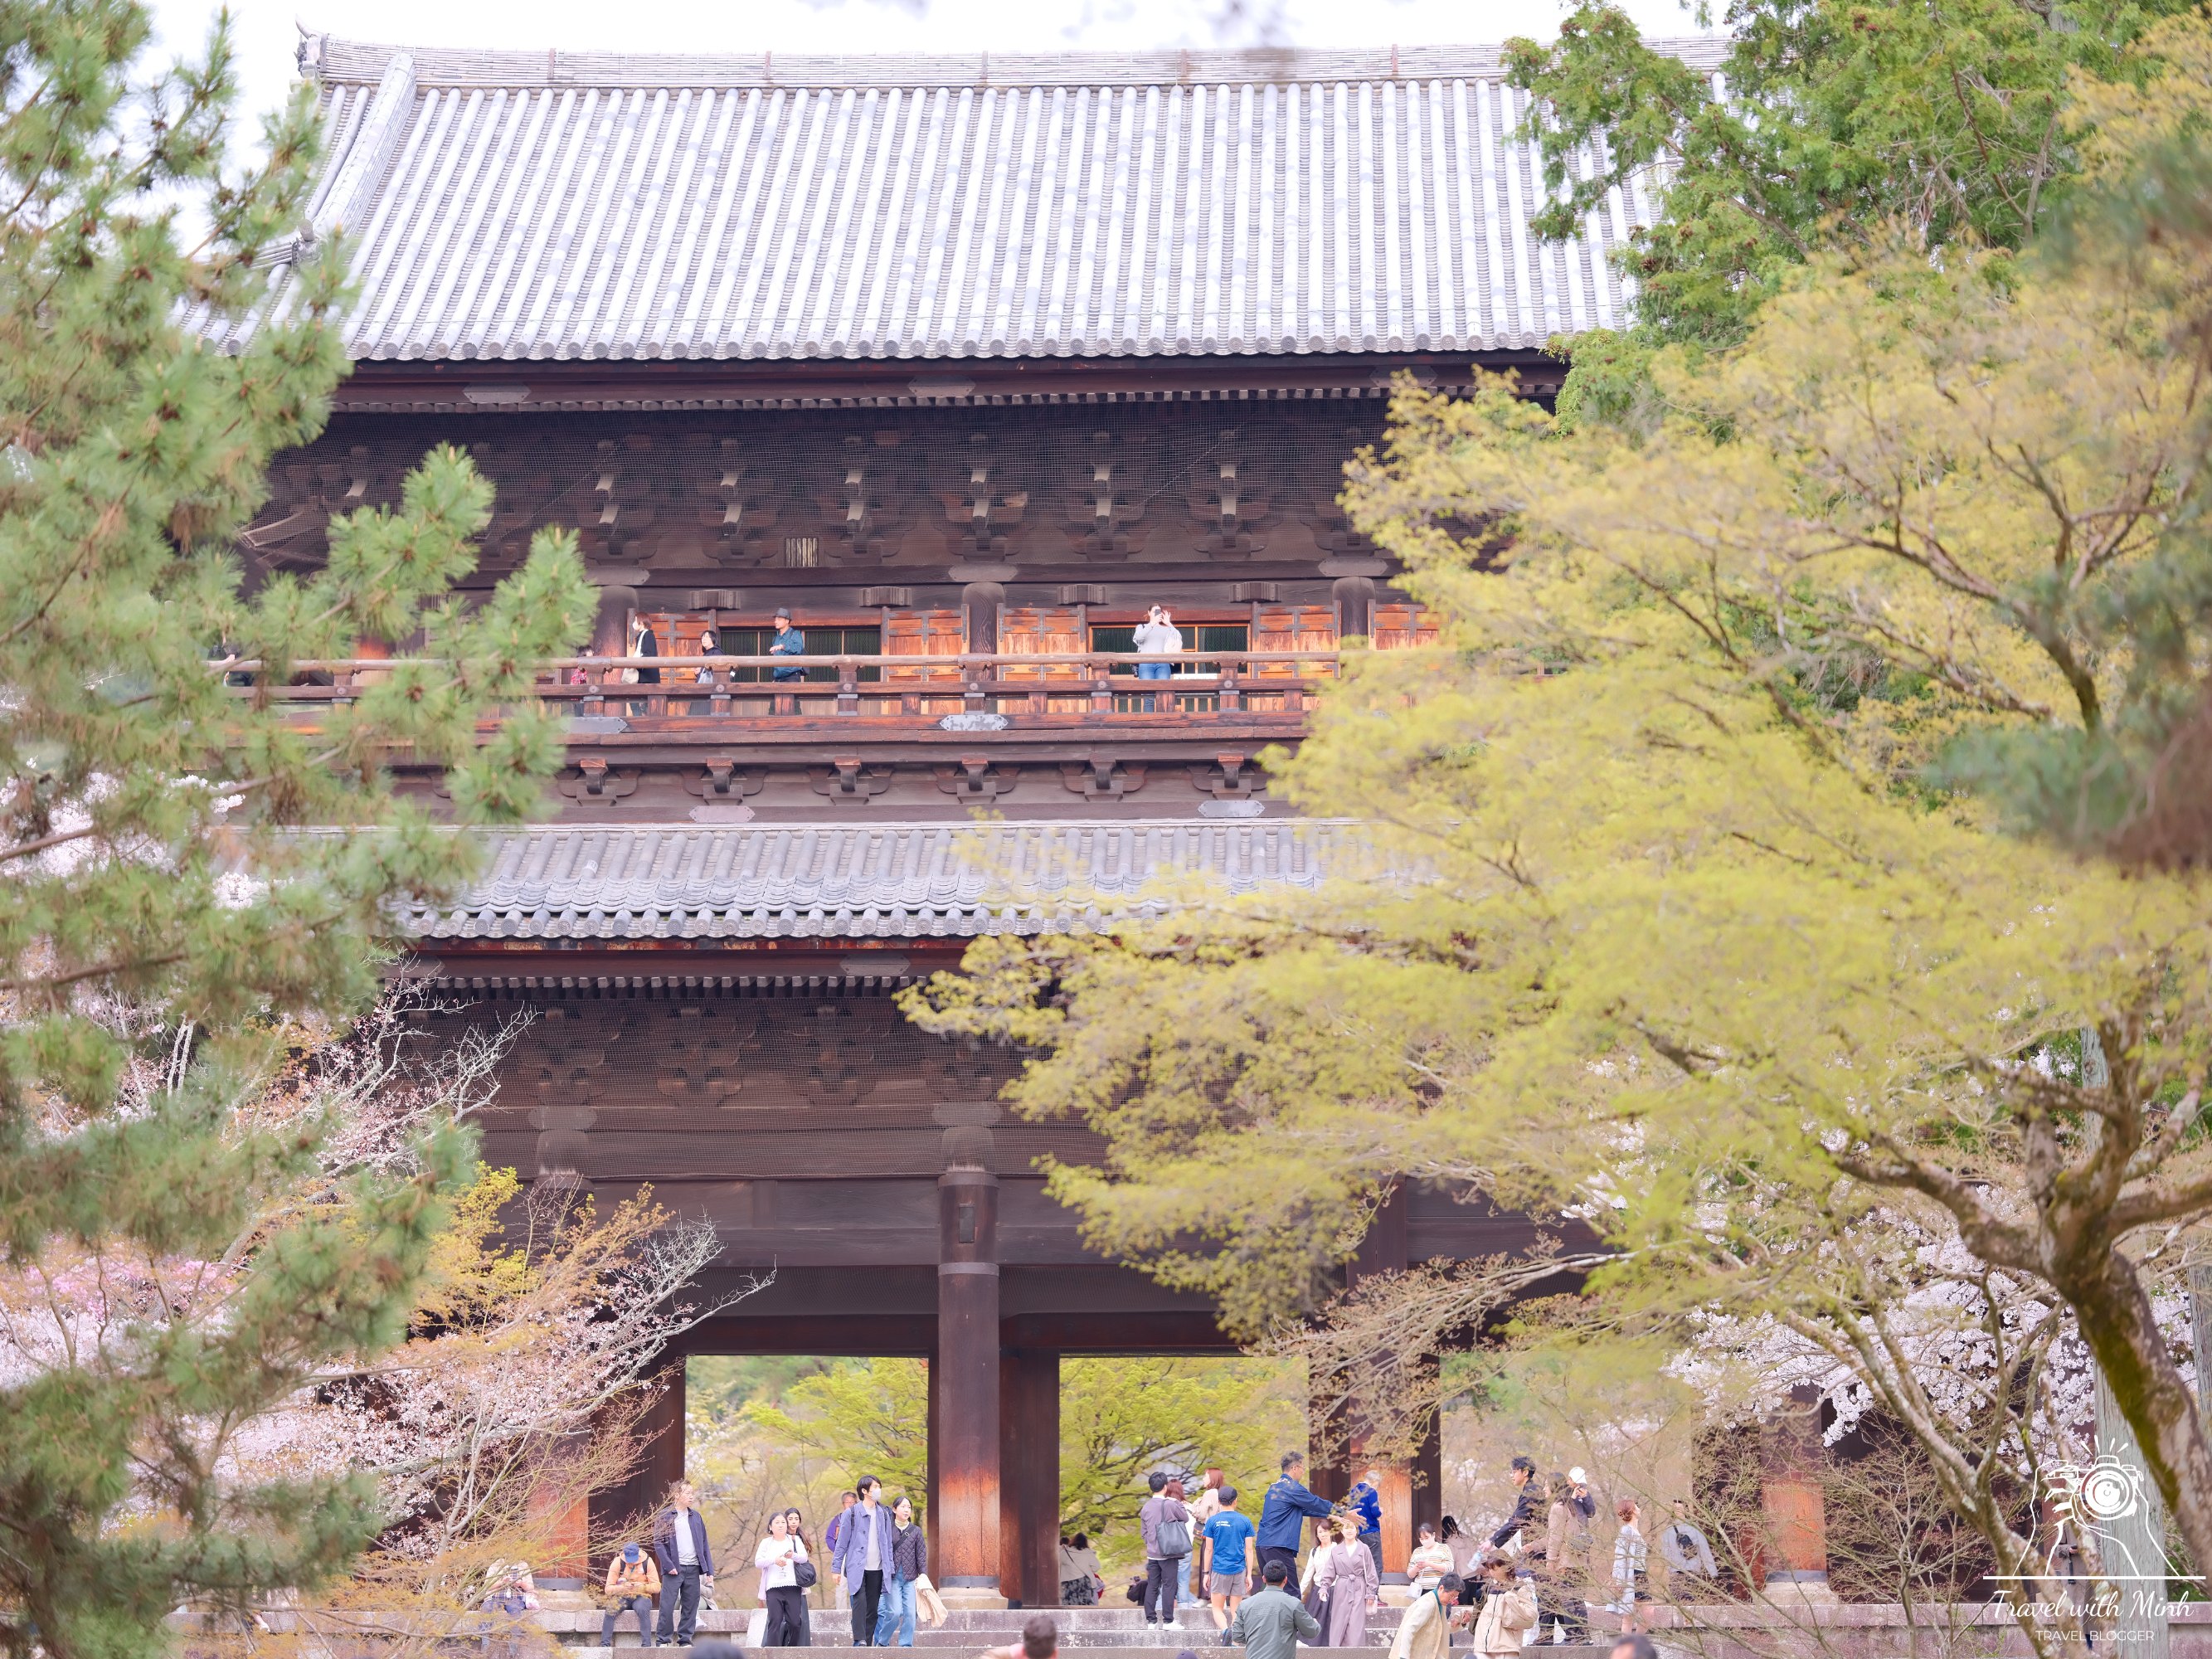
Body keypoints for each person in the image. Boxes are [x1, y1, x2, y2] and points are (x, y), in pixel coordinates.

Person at [832, 1475, 894, 1645]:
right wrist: (836, 1569)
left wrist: (891, 1568)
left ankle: (866, 1641)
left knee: (873, 1609)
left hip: (878, 1568)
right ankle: (859, 1640)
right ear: (864, 1491)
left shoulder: (884, 1514)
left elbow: (888, 1544)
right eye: (874, 1487)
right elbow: (841, 1544)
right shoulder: (851, 1513)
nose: (878, 1490)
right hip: (857, 1567)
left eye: (878, 1486)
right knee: (859, 1603)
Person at [1255, 1452, 1334, 1588]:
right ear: (1295, 1468)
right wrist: (1342, 1512)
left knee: (1272, 1591)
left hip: (1263, 1545)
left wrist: (1331, 1515)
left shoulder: (1274, 1487)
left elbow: (1300, 1509)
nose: (1303, 1472)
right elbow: (1314, 1502)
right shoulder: (1291, 1488)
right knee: (1291, 1592)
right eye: (1303, 1468)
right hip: (1278, 1546)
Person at [653, 1484, 715, 1647]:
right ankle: (663, 1640)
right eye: (687, 1493)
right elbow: (658, 1543)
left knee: (690, 1606)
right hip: (673, 1569)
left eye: (692, 1493)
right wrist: (668, 1565)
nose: (691, 1496)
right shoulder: (665, 1516)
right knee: (667, 1605)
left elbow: (704, 1544)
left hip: (694, 1568)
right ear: (676, 1495)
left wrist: (709, 1570)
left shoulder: (696, 1517)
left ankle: (685, 1640)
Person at [1226, 1559, 1320, 1659]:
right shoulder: (1293, 1604)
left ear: (1264, 1579)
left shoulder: (1245, 1605)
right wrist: (1314, 1623)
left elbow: (1237, 1636)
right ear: (1285, 1580)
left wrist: (1256, 1637)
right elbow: (1312, 1631)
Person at [1199, 1482, 1258, 1640]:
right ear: (1235, 1501)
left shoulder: (1212, 1522)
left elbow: (1209, 1549)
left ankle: (1226, 1631)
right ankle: (1234, 1637)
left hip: (1219, 1570)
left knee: (1217, 1608)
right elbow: (1249, 1550)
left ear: (1219, 1502)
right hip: (1239, 1570)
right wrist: (1249, 1575)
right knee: (1236, 1610)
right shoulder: (1245, 1521)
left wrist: (1206, 1573)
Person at [1313, 1515, 1379, 1648]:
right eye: (1346, 1528)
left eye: (1352, 1528)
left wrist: (1371, 1592)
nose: (1349, 1531)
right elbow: (1329, 1572)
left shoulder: (1364, 1548)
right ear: (1341, 1531)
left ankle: (1355, 1655)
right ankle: (1336, 1653)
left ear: (1357, 1531)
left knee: (1356, 1625)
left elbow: (1371, 1571)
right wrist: (1324, 1588)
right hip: (1341, 1589)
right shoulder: (1336, 1550)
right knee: (1338, 1623)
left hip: (1359, 1588)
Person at [1140, 1469, 1193, 1630]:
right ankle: (1168, 1621)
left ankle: (1151, 1621)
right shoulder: (1170, 1503)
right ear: (1165, 1487)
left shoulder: (1146, 1507)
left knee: (1152, 1585)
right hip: (1168, 1552)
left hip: (1152, 1554)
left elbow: (1144, 1532)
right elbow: (1185, 1517)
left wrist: (1151, 1544)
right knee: (1170, 1585)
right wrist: (1176, 1502)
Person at [1541, 1476, 1591, 1644]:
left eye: (1546, 1485)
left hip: (1565, 1562)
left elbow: (1555, 1537)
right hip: (1578, 1562)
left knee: (1566, 1598)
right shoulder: (1570, 1506)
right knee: (1577, 1599)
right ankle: (1584, 1636)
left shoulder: (1557, 1508)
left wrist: (1550, 1560)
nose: (1544, 1489)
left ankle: (1573, 1636)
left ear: (1554, 1487)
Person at [872, 1495, 926, 1648]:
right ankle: (882, 1642)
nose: (906, 1510)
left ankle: (906, 1645)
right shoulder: (887, 1529)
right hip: (892, 1578)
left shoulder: (916, 1531)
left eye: (909, 1507)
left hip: (910, 1578)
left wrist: (923, 1576)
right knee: (894, 1613)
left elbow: (921, 1555)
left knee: (910, 1615)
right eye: (903, 1506)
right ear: (894, 1509)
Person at [1469, 1550, 1539, 1659]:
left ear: (1506, 1567)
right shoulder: (1488, 1586)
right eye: (1489, 1569)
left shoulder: (1519, 1586)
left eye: (1494, 1569)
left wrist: (1512, 1600)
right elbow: (1484, 1611)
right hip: (1482, 1647)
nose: (1491, 1572)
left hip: (1507, 1647)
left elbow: (1532, 1615)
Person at [755, 1511, 809, 1648]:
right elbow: (758, 1562)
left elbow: (804, 1558)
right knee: (775, 1622)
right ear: (770, 1527)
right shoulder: (766, 1543)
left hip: (793, 1586)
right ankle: (774, 1653)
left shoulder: (794, 1540)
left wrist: (793, 1556)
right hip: (773, 1588)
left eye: (783, 1522)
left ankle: (791, 1650)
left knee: (795, 1623)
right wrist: (774, 1560)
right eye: (777, 1523)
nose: (780, 1525)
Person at [1386, 1571, 1463, 1659]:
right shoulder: (1428, 1604)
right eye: (1451, 1596)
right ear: (1441, 1588)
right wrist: (1404, 1657)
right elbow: (1409, 1629)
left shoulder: (1440, 1603)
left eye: (1455, 1597)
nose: (1452, 1600)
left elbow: (1440, 1628)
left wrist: (1460, 1623)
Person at [602, 1542, 662, 1649]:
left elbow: (657, 1587)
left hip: (642, 1596)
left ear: (638, 1554)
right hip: (622, 1596)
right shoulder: (618, 1562)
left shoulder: (647, 1561)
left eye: (634, 1558)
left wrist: (643, 1587)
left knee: (643, 1610)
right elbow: (608, 1589)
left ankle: (646, 1646)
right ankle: (605, 1645)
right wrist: (622, 1588)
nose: (632, 1561)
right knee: (610, 1610)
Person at [1659, 1500, 1718, 1596]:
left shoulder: (1694, 1527)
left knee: (1691, 1604)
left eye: (1680, 1508)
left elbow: (1704, 1549)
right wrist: (1669, 1568)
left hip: (1693, 1571)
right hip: (1676, 1571)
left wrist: (1713, 1572)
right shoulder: (1668, 1530)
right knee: (1680, 1604)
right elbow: (1665, 1552)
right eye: (1675, 1508)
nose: (1677, 1510)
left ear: (1686, 1510)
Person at [1185, 1471, 1225, 1610]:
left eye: (1206, 1476)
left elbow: (1201, 1514)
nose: (1203, 1478)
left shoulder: (1210, 1493)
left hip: (1209, 1534)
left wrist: (1194, 1505)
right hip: (1220, 1534)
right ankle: (1213, 1598)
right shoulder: (1220, 1493)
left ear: (1212, 1478)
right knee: (1215, 1565)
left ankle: (1206, 1597)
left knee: (1206, 1565)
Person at [1130, 604, 1182, 709]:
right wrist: (1152, 624)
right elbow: (1139, 637)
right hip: (1145, 664)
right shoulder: (1142, 627)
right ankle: (1148, 724)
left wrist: (1169, 624)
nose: (1156, 614)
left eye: (1158, 612)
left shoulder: (1166, 629)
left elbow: (1178, 638)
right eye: (1154, 611)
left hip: (1163, 664)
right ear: (1149, 613)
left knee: (1163, 696)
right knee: (1148, 697)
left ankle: (1163, 723)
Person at [1612, 1499, 1650, 1635]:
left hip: (1641, 1573)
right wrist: (1619, 1580)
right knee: (1629, 1616)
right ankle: (1628, 1650)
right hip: (1632, 1574)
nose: (1639, 1509)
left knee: (1646, 1614)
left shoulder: (1635, 1531)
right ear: (1633, 1511)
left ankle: (1634, 1646)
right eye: (1637, 1507)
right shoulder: (1626, 1530)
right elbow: (1620, 1556)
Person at [1490, 1456, 1542, 1550]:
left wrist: (1493, 1540)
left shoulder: (1530, 1493)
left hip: (1537, 1546)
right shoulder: (1534, 1489)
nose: (1511, 1476)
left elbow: (1516, 1521)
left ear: (1525, 1472)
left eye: (1514, 1472)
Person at [782, 1510, 815, 1646]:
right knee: (784, 1619)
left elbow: (804, 1559)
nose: (794, 1522)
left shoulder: (801, 1538)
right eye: (791, 1519)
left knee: (801, 1617)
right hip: (784, 1580)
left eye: (796, 1519)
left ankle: (800, 1646)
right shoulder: (781, 1538)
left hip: (798, 1581)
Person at [1344, 1467, 1385, 1579]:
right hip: (1371, 1532)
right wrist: (1380, 1511)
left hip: (1359, 1534)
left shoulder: (1353, 1491)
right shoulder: (1371, 1491)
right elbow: (1375, 1512)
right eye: (1377, 1484)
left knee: (1363, 1566)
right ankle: (1373, 1595)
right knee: (1376, 1565)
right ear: (1375, 1481)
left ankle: (1362, 1594)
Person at [982, 1613, 1059, 1659]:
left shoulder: (1018, 1652)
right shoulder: (1018, 1652)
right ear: (1055, 1653)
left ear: (1023, 1651)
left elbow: (988, 1656)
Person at [1406, 1523, 1454, 1593]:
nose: (1424, 1541)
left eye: (1427, 1538)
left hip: (1439, 1590)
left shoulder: (1443, 1548)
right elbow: (1410, 1574)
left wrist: (1429, 1564)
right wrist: (1416, 1568)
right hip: (1420, 1591)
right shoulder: (1417, 1551)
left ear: (1433, 1535)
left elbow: (1449, 1568)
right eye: (1421, 1539)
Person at [1059, 1533, 1103, 1606]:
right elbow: (1097, 1567)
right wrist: (1087, 1570)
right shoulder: (1089, 1553)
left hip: (1068, 1583)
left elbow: (1059, 1563)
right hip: (1084, 1583)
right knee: (1084, 1605)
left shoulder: (1065, 1553)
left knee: (1069, 1605)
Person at [769, 609, 806, 684]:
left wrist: (782, 646)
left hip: (792, 677)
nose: (776, 622)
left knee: (789, 696)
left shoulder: (795, 634)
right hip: (778, 678)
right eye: (775, 620)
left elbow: (798, 649)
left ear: (787, 621)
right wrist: (775, 679)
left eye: (779, 619)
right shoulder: (776, 638)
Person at [1441, 1515, 1479, 1579]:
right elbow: (1476, 1554)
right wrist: (1473, 1568)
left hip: (1460, 1576)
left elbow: (1450, 1563)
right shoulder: (1466, 1538)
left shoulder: (1448, 1544)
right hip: (1473, 1573)